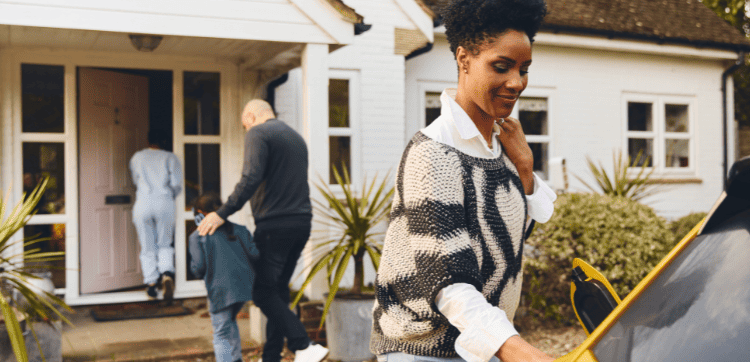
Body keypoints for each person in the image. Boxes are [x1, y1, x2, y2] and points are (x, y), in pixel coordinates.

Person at [370, 0, 557, 361]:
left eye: (524, 69)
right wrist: (517, 349)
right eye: (501, 67)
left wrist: (524, 168)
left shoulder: (499, 149)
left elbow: (507, 240)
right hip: (423, 350)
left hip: (478, 345)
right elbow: (448, 279)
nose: (516, 83)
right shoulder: (433, 153)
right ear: (464, 59)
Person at [196, 99, 329, 362]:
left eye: (244, 125)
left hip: (274, 225)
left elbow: (251, 177)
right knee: (278, 291)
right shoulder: (295, 138)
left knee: (262, 292)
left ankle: (304, 345)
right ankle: (271, 357)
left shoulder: (258, 132)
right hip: (301, 223)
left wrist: (221, 213)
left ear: (249, 116)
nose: (246, 131)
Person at [189, 193, 259, 362]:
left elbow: (198, 268)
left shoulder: (198, 236)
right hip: (244, 288)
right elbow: (256, 255)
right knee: (229, 322)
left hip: (220, 290)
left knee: (220, 332)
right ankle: (236, 359)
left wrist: (195, 270)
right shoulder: (240, 229)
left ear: (201, 213)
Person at [130, 129, 182, 301]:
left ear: (148, 140)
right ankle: (166, 274)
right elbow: (176, 184)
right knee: (165, 243)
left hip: (143, 203)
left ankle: (151, 284)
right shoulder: (170, 157)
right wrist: (169, 195)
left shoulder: (137, 157)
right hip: (164, 201)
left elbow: (135, 180)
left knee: (147, 246)